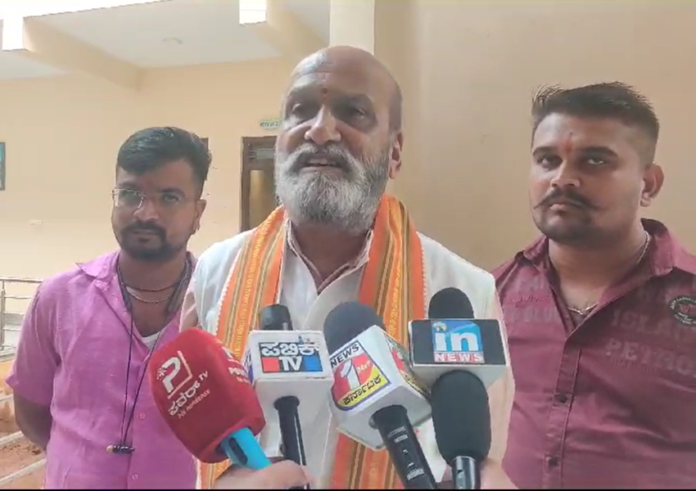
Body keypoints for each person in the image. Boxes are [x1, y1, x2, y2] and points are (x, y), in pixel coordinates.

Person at [181, 45, 516, 490]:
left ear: (395, 152)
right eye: (300, 111)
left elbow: (482, 464)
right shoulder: (216, 273)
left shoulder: (464, 291)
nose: (319, 131)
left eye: (353, 112)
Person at [495, 82, 696, 488]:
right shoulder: (492, 294)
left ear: (649, 184)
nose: (563, 179)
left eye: (595, 161)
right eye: (547, 160)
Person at [6, 127, 210, 488]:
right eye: (130, 194)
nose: (146, 213)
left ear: (198, 212)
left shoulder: (221, 301)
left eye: (169, 197)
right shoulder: (59, 298)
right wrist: (81, 461)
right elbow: (31, 408)